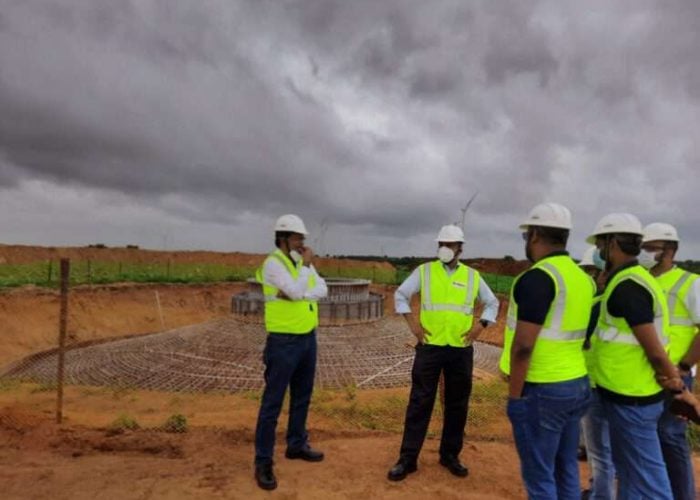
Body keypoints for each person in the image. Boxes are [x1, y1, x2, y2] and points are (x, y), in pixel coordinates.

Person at [388, 224, 499, 481]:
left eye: (450, 245)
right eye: (442, 244)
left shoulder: (472, 276)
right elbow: (401, 295)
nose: (445, 249)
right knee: (419, 402)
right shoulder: (424, 271)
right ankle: (408, 458)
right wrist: (413, 325)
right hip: (430, 347)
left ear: (460, 248)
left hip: (460, 349)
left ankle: (450, 455)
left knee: (457, 403)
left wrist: (480, 326)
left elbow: (492, 302)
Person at [499, 202, 594, 500]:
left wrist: (515, 398)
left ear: (536, 235)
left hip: (542, 390)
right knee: (565, 465)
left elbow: (524, 345)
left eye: (526, 235)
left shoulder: (538, 277)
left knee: (539, 475)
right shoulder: (583, 278)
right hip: (577, 384)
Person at [587, 213, 685, 499]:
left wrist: (676, 383)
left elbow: (653, 350)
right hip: (628, 393)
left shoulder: (628, 286)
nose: (600, 251)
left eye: (602, 244)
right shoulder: (634, 280)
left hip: (633, 399)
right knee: (630, 474)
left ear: (613, 243)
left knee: (649, 481)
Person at [253, 214, 328, 491]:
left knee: (302, 397)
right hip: (283, 342)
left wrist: (302, 286)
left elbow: (322, 289)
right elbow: (297, 292)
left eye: (303, 240)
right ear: (283, 239)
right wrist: (305, 274)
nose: (302, 244)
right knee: (272, 404)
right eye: (298, 238)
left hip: (307, 339)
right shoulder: (274, 264)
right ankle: (263, 461)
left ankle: (296, 444)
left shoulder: (297, 265)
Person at [642, 222, 700, 500]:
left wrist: (685, 366)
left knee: (670, 435)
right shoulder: (642, 279)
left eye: (652, 247)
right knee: (650, 437)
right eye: (645, 246)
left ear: (670, 250)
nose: (646, 251)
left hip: (677, 374)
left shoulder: (690, 283)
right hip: (646, 374)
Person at [579, 245, 615, 500]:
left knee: (600, 452)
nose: (593, 278)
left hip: (594, 382)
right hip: (617, 383)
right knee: (607, 449)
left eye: (594, 272)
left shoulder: (598, 303)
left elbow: (583, 340)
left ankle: (600, 495)